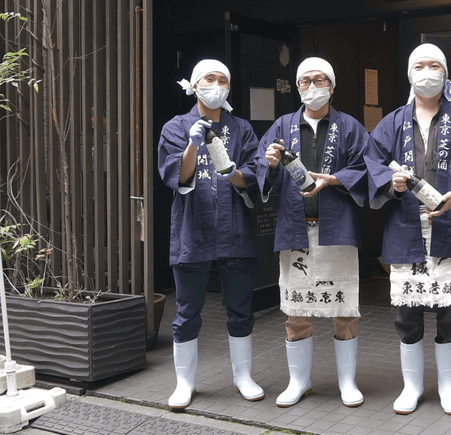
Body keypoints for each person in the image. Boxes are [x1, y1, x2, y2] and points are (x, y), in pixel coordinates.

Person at [365, 43, 451, 416]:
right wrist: (393, 183)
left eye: (434, 65)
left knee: (450, 309)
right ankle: (411, 386)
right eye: (420, 65)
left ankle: (447, 386)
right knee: (406, 311)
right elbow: (373, 162)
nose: (427, 72)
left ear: (445, 73)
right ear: (410, 74)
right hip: (404, 227)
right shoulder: (391, 122)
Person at [256, 57, 369, 408]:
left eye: (319, 80)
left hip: (338, 228)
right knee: (296, 307)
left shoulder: (350, 127)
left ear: (332, 87)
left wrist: (333, 179)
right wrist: (271, 165)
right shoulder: (282, 126)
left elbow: (368, 169)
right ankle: (298, 381)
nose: (312, 87)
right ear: (298, 87)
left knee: (344, 305)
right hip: (296, 228)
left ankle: (347, 382)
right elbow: (263, 173)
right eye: (304, 81)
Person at [157, 59, 264, 410]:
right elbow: (177, 175)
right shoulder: (176, 126)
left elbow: (253, 173)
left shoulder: (242, 129)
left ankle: (243, 376)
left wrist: (231, 172)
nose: (216, 85)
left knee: (240, 308)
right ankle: (185, 383)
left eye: (222, 80)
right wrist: (192, 145)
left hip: (234, 229)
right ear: (194, 84)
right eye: (209, 78)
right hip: (193, 228)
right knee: (187, 309)